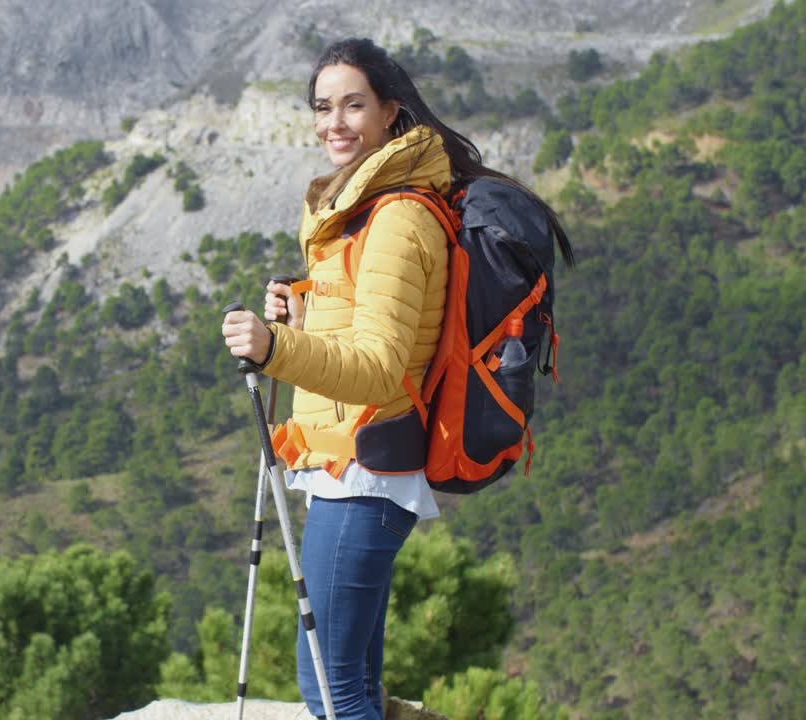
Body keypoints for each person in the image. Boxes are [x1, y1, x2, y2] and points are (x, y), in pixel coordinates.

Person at [220, 38, 571, 719]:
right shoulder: (369, 207)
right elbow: (382, 324)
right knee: (353, 680)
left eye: (354, 105)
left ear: (391, 112)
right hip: (353, 462)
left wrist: (272, 349)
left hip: (365, 469)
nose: (335, 123)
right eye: (324, 107)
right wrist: (304, 308)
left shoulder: (398, 215)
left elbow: (381, 368)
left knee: (330, 685)